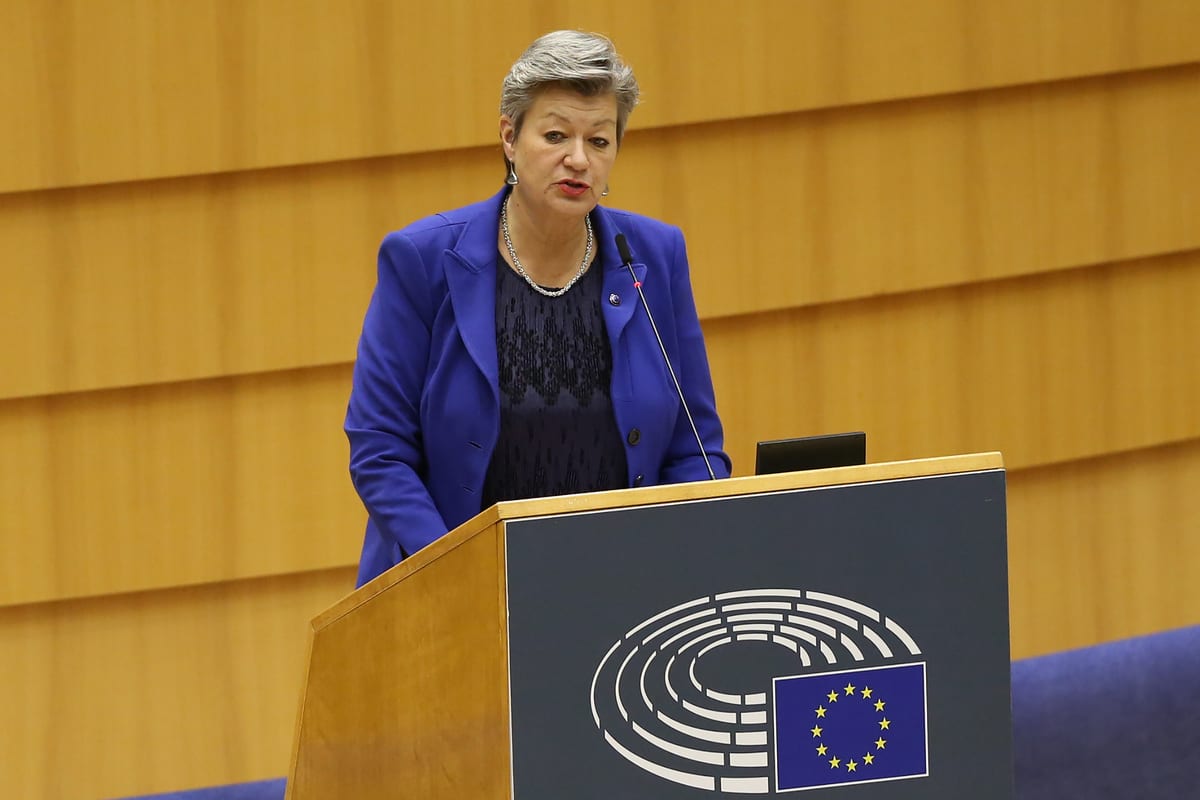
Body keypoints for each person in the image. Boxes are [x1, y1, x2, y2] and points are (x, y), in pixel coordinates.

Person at [345, 30, 731, 586]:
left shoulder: (653, 256)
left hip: (623, 586)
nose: (578, 160)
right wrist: (457, 573)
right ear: (509, 137)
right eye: (555, 135)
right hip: (456, 590)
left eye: (599, 141)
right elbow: (380, 449)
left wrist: (669, 560)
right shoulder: (422, 260)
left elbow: (696, 446)